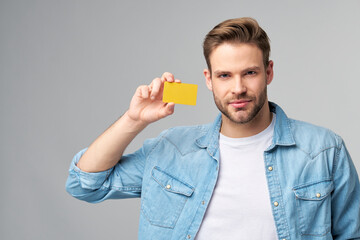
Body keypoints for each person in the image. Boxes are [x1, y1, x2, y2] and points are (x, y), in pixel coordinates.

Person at [66, 17, 360, 239]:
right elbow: (85, 185)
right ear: (208, 79)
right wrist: (134, 120)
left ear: (268, 72)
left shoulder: (323, 150)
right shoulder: (172, 150)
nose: (238, 88)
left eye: (250, 73)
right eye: (224, 75)